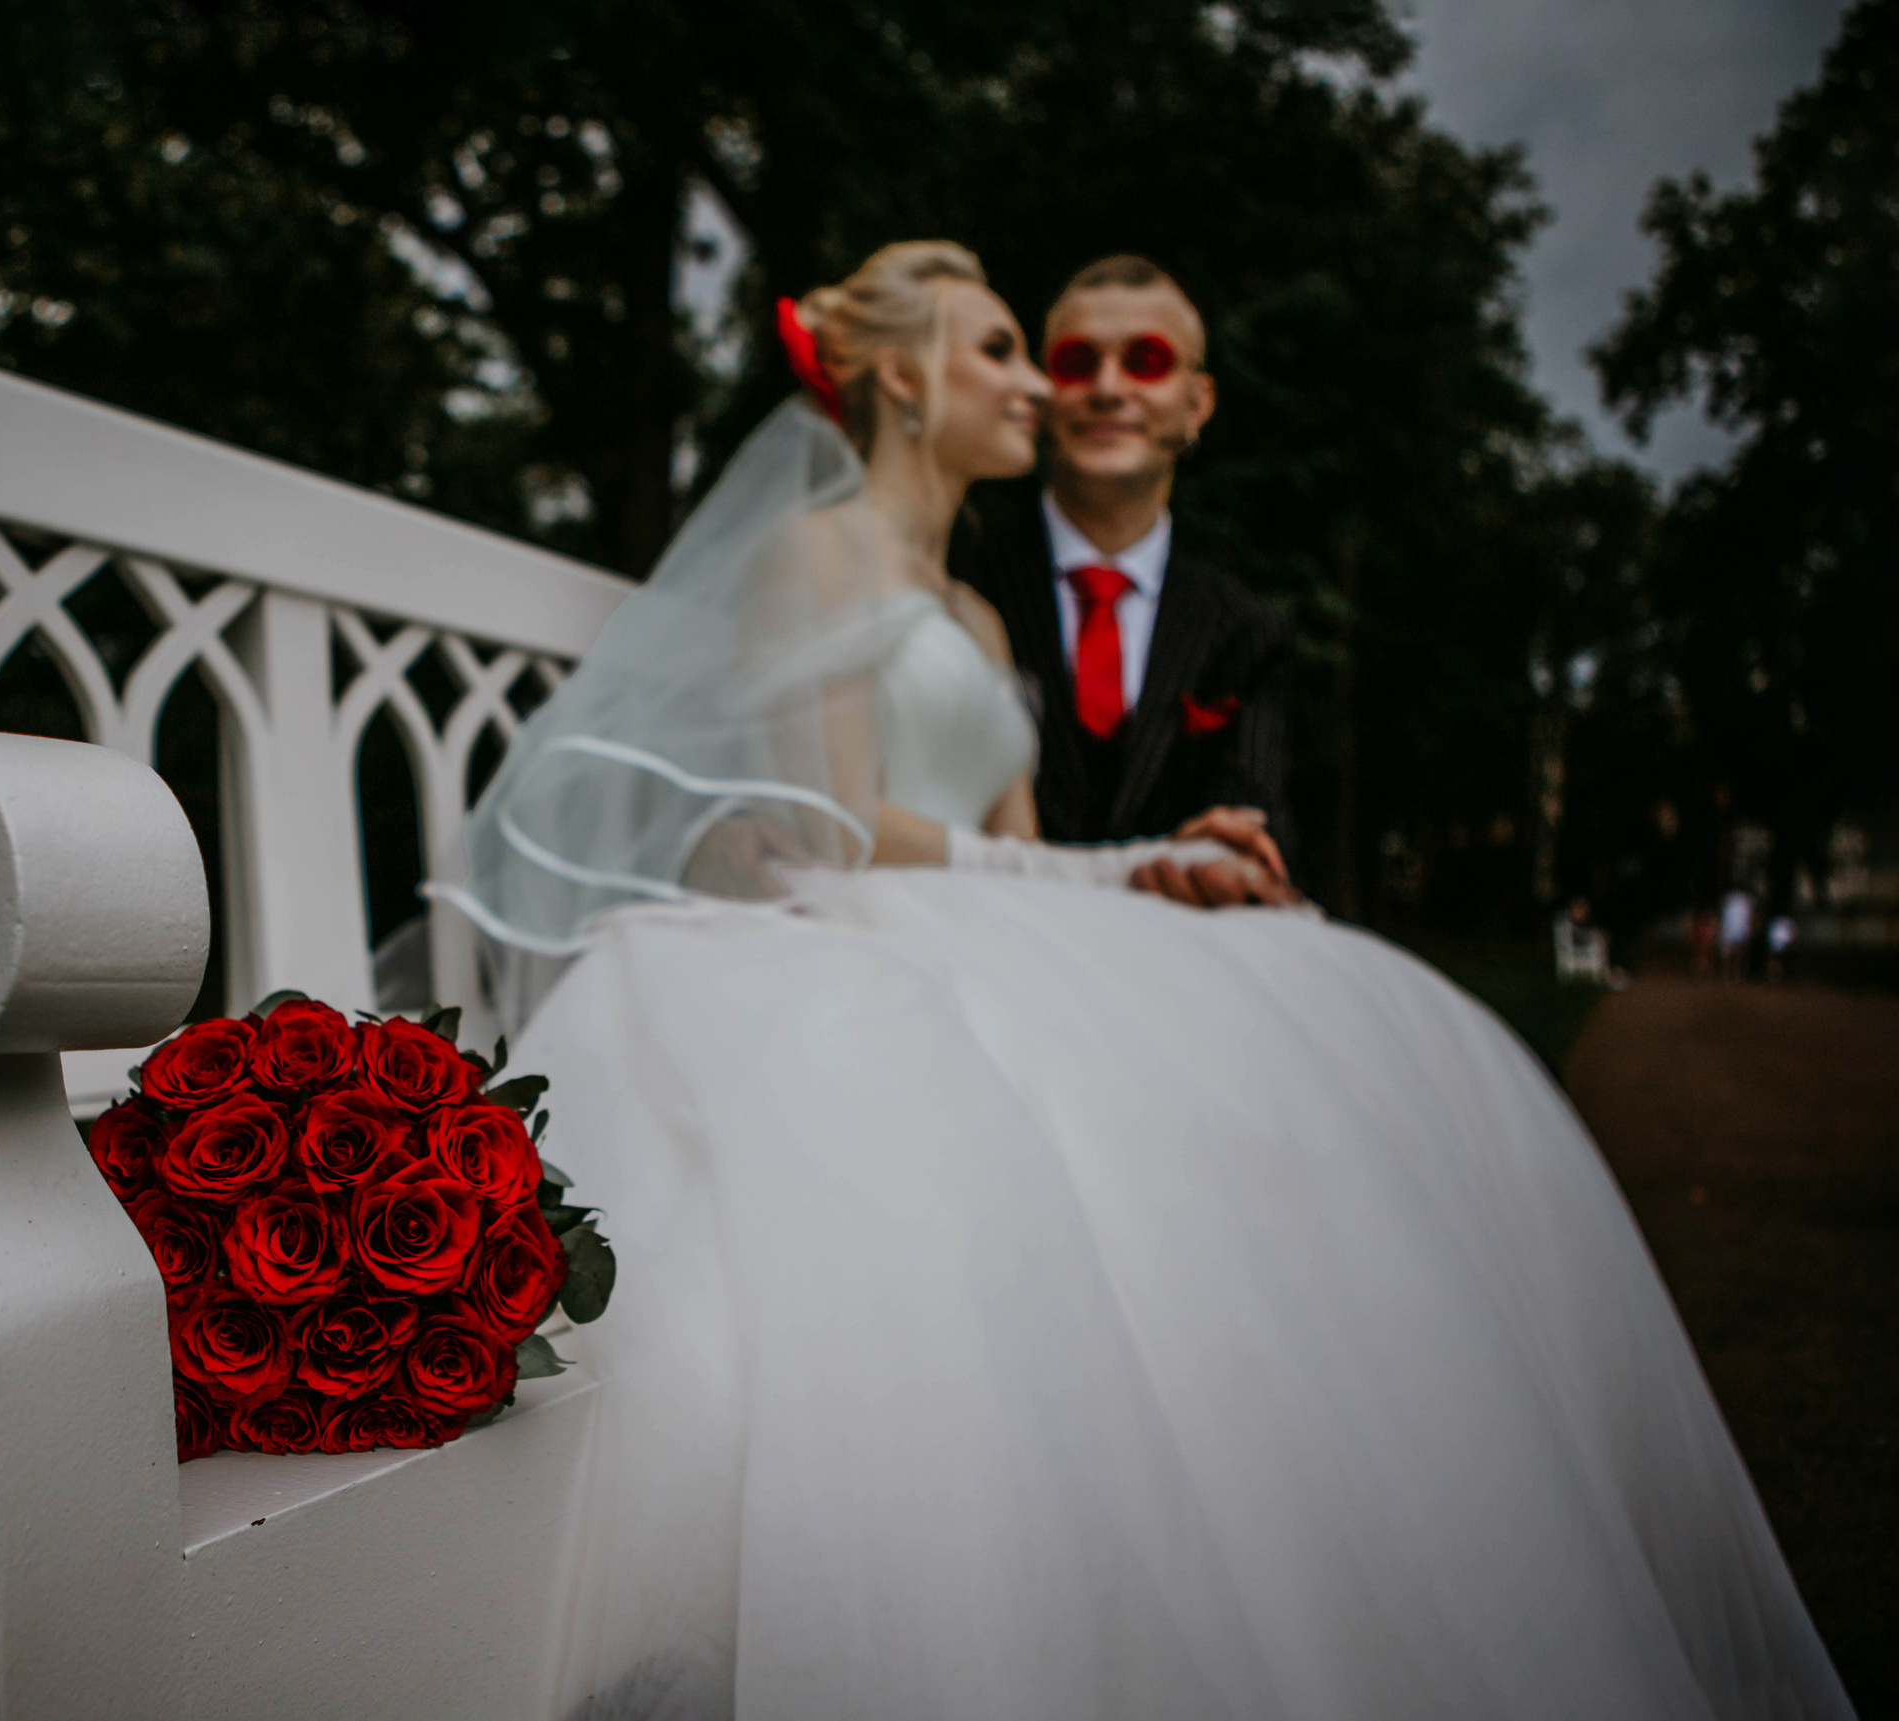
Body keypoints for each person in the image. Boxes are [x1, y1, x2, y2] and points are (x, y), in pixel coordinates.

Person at [445, 241, 1850, 1720]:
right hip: (857, 913)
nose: (1039, 390)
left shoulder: (979, 617)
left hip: (986, 911)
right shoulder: (816, 552)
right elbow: (840, 827)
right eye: (1004, 351)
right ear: (904, 375)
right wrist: (1119, 868)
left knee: (1313, 1021)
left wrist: (1138, 869)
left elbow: (1025, 843)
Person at [956, 254, 1295, 875]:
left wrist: (1223, 852)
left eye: (1146, 360)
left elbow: (1255, 821)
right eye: (1076, 362)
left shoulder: (1245, 632)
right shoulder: (958, 576)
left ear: (1197, 403)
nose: (1108, 389)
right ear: (1041, 393)